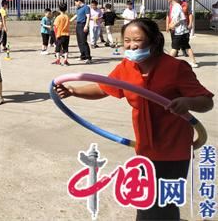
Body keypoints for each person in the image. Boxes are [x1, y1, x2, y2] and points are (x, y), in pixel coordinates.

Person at [54, 18, 213, 220]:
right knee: (146, 201)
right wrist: (73, 90)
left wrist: (188, 103)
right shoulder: (126, 67)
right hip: (145, 148)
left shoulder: (176, 68)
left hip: (173, 148)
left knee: (164, 204)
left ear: (155, 41)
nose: (131, 45)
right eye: (126, 40)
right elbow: (104, 88)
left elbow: (206, 102)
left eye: (137, 39)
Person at [167, 0, 198, 68]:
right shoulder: (174, 6)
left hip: (180, 32)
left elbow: (180, 19)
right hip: (183, 31)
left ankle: (166, 64)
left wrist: (172, 25)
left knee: (174, 48)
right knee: (187, 47)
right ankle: (194, 62)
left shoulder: (176, 6)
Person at [70, 0, 92, 64]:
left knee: (83, 41)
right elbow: (76, 15)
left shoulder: (86, 7)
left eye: (75, 2)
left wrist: (86, 26)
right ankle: (83, 56)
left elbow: (88, 16)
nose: (75, 4)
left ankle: (88, 57)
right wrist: (69, 21)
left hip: (83, 25)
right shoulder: (78, 8)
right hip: (78, 25)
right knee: (79, 41)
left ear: (79, 1)